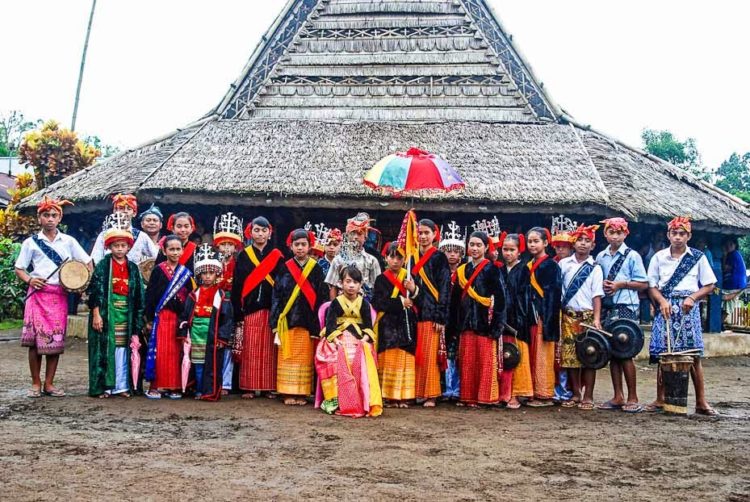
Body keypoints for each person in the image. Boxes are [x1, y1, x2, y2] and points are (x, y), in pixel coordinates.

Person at [15, 196, 92, 398]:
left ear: (60, 218)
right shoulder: (31, 243)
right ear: (39, 218)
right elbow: (20, 268)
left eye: (54, 215)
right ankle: (35, 383)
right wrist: (30, 280)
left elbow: (87, 262)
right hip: (37, 295)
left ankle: (49, 384)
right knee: (34, 343)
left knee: (55, 342)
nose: (50, 218)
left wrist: (81, 283)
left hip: (59, 295)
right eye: (46, 215)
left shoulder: (69, 241)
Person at [646, 216, 718, 415]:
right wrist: (661, 301)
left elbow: (710, 284)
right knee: (663, 354)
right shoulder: (658, 257)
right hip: (665, 308)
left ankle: (701, 402)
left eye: (682, 234)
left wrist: (693, 298)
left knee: (693, 355)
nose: (678, 237)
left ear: (689, 236)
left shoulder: (698, 257)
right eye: (674, 233)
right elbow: (651, 286)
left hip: (688, 309)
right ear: (668, 235)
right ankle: (661, 398)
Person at [87, 214, 145, 398]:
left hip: (126, 314)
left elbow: (139, 297)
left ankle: (121, 386)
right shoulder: (104, 265)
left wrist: (138, 319)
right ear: (109, 247)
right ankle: (105, 386)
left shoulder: (133, 268)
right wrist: (97, 314)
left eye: (123, 246)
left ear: (129, 247)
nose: (120, 249)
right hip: (107, 313)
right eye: (116, 246)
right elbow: (94, 291)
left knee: (123, 350)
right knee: (105, 350)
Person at [595, 217, 648, 413]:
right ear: (605, 234)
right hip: (609, 307)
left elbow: (643, 283)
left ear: (626, 234)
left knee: (626, 352)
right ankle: (618, 395)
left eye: (619, 233)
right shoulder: (600, 257)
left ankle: (633, 396)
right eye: (611, 232)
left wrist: (621, 284)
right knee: (612, 352)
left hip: (626, 305)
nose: (615, 236)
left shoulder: (632, 256)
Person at [271, 229, 328, 405]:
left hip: (307, 321)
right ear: (291, 246)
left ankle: (302, 393)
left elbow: (322, 297)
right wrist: (275, 321)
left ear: (310, 246)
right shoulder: (284, 267)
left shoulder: (317, 269)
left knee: (304, 358)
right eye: (297, 245)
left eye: (304, 244)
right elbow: (277, 295)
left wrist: (319, 324)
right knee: (287, 357)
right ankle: (287, 392)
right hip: (287, 320)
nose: (300, 248)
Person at [317, 265, 383, 417]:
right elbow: (330, 326)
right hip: (338, 337)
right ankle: (335, 399)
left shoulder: (364, 303)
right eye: (348, 281)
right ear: (341, 283)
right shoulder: (336, 302)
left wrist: (364, 340)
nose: (351, 285)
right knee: (334, 358)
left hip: (359, 338)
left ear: (360, 284)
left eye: (355, 282)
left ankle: (360, 398)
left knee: (360, 357)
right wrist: (335, 341)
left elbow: (368, 327)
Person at [231, 216, 284, 399]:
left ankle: (269, 386)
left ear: (269, 233)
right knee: (250, 348)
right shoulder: (244, 255)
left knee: (270, 349)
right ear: (250, 232)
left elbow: (281, 285)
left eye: (263, 230)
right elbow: (237, 285)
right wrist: (238, 310)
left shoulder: (277, 255)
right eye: (256, 230)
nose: (260, 234)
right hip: (250, 308)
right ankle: (249, 386)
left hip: (271, 308)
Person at [451, 231, 506, 407]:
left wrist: (496, 327)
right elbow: (455, 301)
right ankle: (467, 397)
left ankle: (485, 398)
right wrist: (455, 325)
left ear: (486, 247)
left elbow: (501, 300)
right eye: (472, 245)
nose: (475, 248)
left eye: (478, 245)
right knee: (467, 362)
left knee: (485, 362)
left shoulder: (492, 270)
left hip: (485, 323)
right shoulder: (462, 270)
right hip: (466, 322)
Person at [179, 244, 233, 401]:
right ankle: (198, 389)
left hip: (212, 334)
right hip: (196, 334)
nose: (208, 276)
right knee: (198, 363)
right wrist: (184, 330)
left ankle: (209, 391)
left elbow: (227, 318)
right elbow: (185, 314)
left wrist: (222, 338)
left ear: (216, 274)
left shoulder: (221, 296)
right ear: (199, 275)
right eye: (204, 273)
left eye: (211, 273)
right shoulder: (193, 294)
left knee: (212, 364)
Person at [559, 224, 604, 410]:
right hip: (568, 315)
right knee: (570, 357)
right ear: (573, 242)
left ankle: (589, 395)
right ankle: (576, 393)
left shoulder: (595, 268)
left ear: (593, 246)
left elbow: (597, 295)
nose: (583, 244)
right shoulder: (564, 264)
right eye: (580, 240)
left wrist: (596, 319)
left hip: (587, 316)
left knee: (589, 356)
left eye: (587, 241)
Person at [144, 235, 193, 399]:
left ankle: (175, 386)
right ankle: (156, 386)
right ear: (164, 251)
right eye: (171, 249)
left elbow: (188, 297)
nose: (175, 252)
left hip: (178, 318)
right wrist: (149, 318)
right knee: (161, 351)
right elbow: (151, 294)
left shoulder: (186, 273)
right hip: (162, 317)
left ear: (183, 250)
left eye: (178, 249)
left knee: (176, 352)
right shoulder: (158, 270)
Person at [371, 243, 418, 408]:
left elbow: (419, 300)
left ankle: (403, 396)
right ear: (385, 258)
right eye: (392, 257)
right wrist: (400, 302)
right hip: (388, 326)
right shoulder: (381, 279)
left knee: (405, 358)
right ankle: (388, 396)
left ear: (405, 259)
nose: (395, 261)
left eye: (399, 257)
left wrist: (413, 290)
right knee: (388, 359)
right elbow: (378, 302)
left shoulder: (410, 277)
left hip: (406, 324)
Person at [412, 218, 452, 407]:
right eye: (420, 233)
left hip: (431, 311)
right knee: (417, 354)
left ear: (435, 235)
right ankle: (417, 390)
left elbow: (444, 288)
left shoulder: (439, 257)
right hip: (414, 310)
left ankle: (430, 393)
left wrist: (440, 315)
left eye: (426, 233)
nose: (423, 236)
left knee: (429, 354)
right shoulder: (411, 256)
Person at [525, 227, 562, 407]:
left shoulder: (551, 265)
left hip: (544, 316)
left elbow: (553, 295)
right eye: (530, 241)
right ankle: (531, 390)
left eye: (536, 241)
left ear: (546, 243)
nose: (532, 245)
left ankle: (544, 393)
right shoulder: (528, 265)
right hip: (530, 315)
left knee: (542, 355)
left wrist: (547, 319)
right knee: (531, 353)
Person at [499, 233, 531, 409]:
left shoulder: (523, 270)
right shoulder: (501, 270)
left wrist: (518, 318)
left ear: (519, 252)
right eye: (505, 249)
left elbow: (524, 298)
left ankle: (517, 394)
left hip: (518, 320)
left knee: (517, 356)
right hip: (502, 319)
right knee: (505, 357)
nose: (508, 253)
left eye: (512, 250)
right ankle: (504, 393)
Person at [213, 212, 243, 395]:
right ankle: (213, 380)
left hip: (231, 306)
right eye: (223, 244)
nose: (226, 248)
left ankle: (226, 382)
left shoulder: (239, 264)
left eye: (230, 244)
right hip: (214, 305)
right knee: (215, 343)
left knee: (229, 344)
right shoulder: (212, 262)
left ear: (235, 246)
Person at [438, 220, 466, 401]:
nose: (452, 255)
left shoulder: (465, 272)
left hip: (459, 317)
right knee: (443, 353)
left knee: (456, 355)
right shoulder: (440, 272)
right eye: (449, 251)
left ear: (461, 254)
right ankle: (445, 387)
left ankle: (456, 388)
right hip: (442, 317)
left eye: (456, 251)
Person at [325, 212, 381, 300]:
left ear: (365, 238)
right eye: (352, 233)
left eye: (359, 234)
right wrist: (335, 308)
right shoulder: (338, 260)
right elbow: (333, 286)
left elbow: (377, 287)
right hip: (342, 305)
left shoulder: (372, 260)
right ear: (347, 236)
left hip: (364, 305)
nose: (355, 237)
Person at [91, 194, 158, 265]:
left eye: (129, 209)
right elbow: (95, 260)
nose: (125, 211)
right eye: (121, 208)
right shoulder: (104, 235)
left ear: (134, 213)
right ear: (115, 211)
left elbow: (156, 257)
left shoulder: (141, 236)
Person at [721, 237, 747, 324]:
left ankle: (718, 324)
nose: (728, 247)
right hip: (738, 285)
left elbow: (725, 268)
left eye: (731, 245)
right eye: (727, 245)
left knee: (726, 305)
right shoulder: (736, 254)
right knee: (726, 306)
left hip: (734, 285)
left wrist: (724, 256)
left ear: (735, 245)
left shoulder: (733, 255)